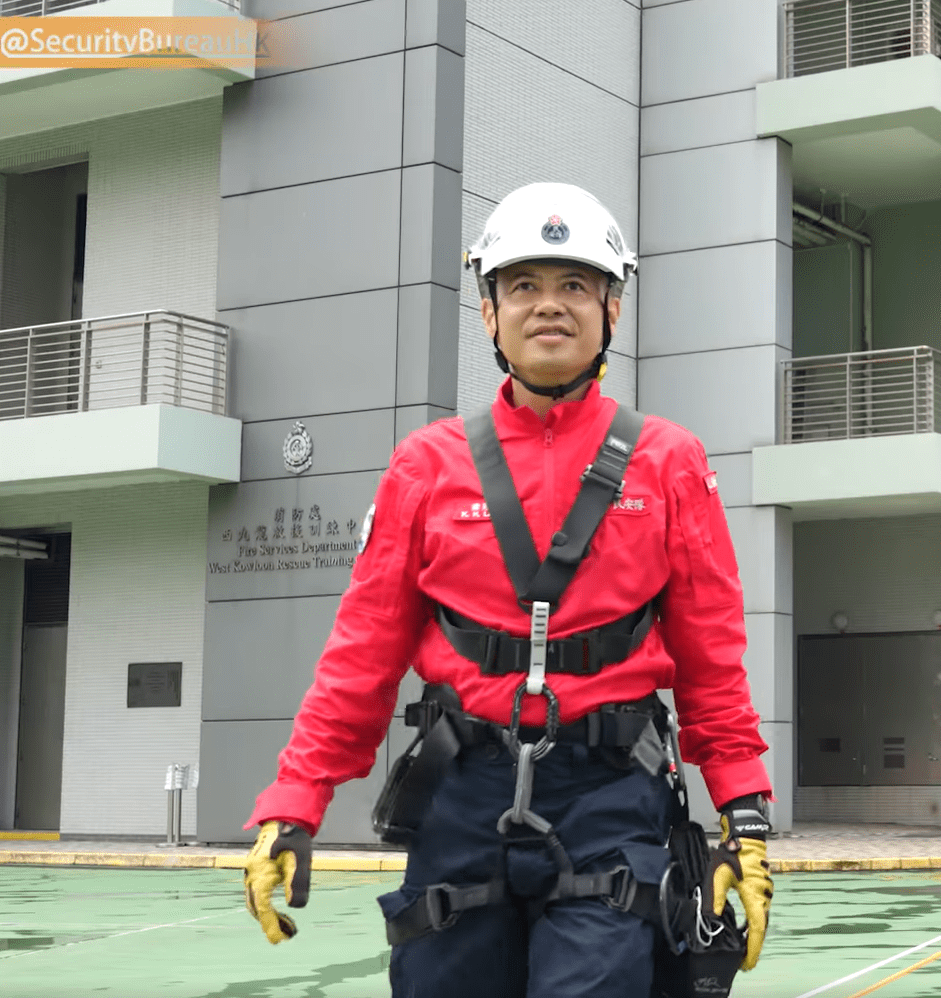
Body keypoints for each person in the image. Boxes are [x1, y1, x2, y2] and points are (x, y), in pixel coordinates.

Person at [239, 182, 775, 997]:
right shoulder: (426, 464)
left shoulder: (670, 461)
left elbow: (713, 657)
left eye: (575, 286)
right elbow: (363, 649)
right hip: (462, 794)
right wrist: (294, 799)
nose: (548, 307)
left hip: (612, 795)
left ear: (613, 311)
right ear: (488, 312)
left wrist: (745, 816)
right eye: (523, 286)